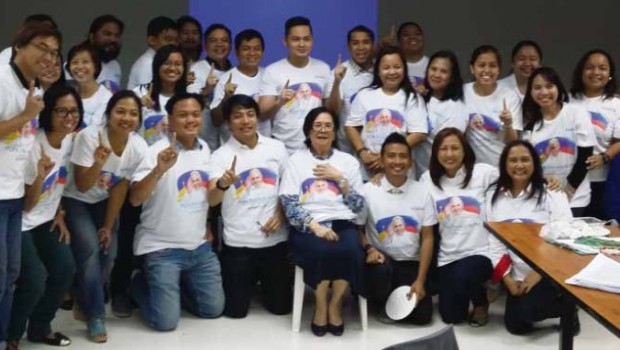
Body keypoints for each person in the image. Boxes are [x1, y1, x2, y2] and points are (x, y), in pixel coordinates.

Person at [129, 93, 224, 331]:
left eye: (195, 114)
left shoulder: (206, 149)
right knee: (165, 323)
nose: (190, 120)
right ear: (170, 120)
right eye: (183, 115)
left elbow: (209, 200)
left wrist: (221, 190)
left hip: (198, 248)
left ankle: (170, 292)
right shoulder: (155, 152)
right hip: (162, 249)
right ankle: (138, 284)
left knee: (213, 310)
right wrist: (159, 170)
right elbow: (135, 199)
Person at [62, 90, 147, 342]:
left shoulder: (138, 146)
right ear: (108, 114)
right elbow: (82, 184)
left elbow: (120, 186)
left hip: (102, 201)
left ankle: (84, 300)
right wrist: (98, 163)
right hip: (74, 198)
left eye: (133, 113)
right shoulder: (90, 137)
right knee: (88, 250)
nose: (126, 118)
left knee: (108, 251)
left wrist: (108, 226)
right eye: (120, 111)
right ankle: (96, 315)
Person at [6, 85, 82, 350]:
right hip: (23, 222)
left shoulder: (70, 141)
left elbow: (60, 182)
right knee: (35, 279)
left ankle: (40, 328)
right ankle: (12, 334)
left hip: (47, 218)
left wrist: (59, 212)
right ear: (48, 111)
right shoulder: (34, 145)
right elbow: (27, 205)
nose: (68, 117)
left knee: (64, 269)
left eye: (73, 111)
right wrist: (40, 176)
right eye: (61, 111)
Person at [0, 23, 61, 350]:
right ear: (19, 45)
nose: (48, 56)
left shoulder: (31, 85)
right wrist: (26, 115)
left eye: (53, 52)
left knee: (10, 276)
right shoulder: (1, 78)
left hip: (12, 194)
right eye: (42, 47)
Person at [280, 107, 365, 336]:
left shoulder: (348, 162)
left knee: (351, 250)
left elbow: (359, 207)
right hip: (308, 225)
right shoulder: (296, 162)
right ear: (308, 132)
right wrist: (315, 227)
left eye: (328, 126)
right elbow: (289, 204)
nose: (323, 130)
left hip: (342, 221)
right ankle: (320, 304)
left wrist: (340, 179)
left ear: (335, 133)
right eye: (317, 125)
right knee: (320, 251)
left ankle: (335, 304)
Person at [208, 94, 291, 318]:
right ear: (228, 123)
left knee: (281, 309)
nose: (245, 121)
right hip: (238, 245)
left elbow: (290, 188)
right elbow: (212, 200)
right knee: (235, 312)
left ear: (257, 118)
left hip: (275, 242)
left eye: (250, 114)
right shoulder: (220, 156)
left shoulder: (276, 148)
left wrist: (281, 214)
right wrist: (223, 184)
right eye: (238, 116)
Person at [487, 140, 576, 335]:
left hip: (547, 272)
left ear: (535, 163)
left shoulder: (552, 193)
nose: (519, 165)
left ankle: (567, 309)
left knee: (529, 310)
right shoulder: (494, 197)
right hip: (516, 273)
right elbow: (495, 244)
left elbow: (565, 240)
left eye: (525, 160)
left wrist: (536, 274)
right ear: (504, 165)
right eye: (513, 160)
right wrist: (507, 279)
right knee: (516, 326)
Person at [419, 128, 498, 326]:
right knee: (452, 317)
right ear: (435, 153)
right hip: (448, 256)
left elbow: (514, 179)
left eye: (455, 148)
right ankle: (469, 291)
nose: (449, 154)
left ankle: (480, 302)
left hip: (482, 252)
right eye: (443, 149)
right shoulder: (427, 180)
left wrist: (547, 180)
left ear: (465, 151)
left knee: (466, 274)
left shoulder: (483, 173)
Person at [359, 133, 435, 325]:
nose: (397, 161)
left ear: (410, 162)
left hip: (410, 263)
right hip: (380, 262)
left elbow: (427, 238)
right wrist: (369, 249)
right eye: (391, 156)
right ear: (382, 160)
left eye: (403, 156)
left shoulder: (422, 191)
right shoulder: (368, 191)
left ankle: (393, 299)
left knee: (423, 317)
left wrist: (420, 280)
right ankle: (379, 300)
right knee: (381, 275)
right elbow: (357, 230)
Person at [523, 67, 596, 216]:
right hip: (543, 198)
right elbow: (530, 165)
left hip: (576, 198)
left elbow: (585, 157)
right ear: (530, 92)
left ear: (558, 88)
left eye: (549, 86)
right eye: (537, 88)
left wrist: (568, 192)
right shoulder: (530, 126)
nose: (543, 92)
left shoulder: (576, 113)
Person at [345, 45, 427, 179]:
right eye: (386, 68)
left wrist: (388, 156)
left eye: (397, 67)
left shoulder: (412, 98)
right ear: (378, 71)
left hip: (399, 170)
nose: (392, 72)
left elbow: (419, 133)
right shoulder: (365, 95)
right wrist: (362, 152)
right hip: (368, 169)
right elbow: (351, 127)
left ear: (404, 70)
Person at [259, 16, 330, 154]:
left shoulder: (323, 69)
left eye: (306, 39)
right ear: (285, 41)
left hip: (316, 148)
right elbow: (262, 114)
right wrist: (279, 102)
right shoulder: (273, 71)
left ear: (312, 41)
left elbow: (331, 111)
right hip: (283, 148)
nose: (302, 44)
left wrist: (337, 82)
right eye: (295, 39)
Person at [570, 49, 620, 219]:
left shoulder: (616, 104)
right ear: (581, 72)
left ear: (610, 74)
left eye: (602, 68)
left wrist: (604, 157)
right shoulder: (567, 101)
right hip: (570, 180)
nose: (596, 72)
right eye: (590, 67)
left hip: (602, 181)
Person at [465, 45, 523, 166]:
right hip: (472, 169)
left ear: (499, 70)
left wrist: (508, 124)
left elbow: (514, 143)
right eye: (481, 65)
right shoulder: (463, 92)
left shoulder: (510, 96)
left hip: (502, 167)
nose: (487, 70)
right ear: (472, 68)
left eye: (492, 65)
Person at [416, 50, 468, 178]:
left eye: (443, 71)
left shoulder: (456, 107)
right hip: (416, 174)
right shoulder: (419, 99)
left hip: (443, 177)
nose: (437, 75)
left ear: (452, 77)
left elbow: (449, 145)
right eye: (433, 69)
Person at [211, 29, 269, 142]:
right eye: (246, 49)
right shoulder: (226, 79)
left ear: (263, 52)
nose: (252, 53)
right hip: (234, 148)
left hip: (263, 148)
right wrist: (226, 98)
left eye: (257, 49)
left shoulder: (269, 76)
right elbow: (216, 120)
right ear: (236, 52)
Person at [325, 25, 375, 154]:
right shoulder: (338, 72)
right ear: (348, 47)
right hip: (346, 148)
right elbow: (331, 111)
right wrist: (337, 82)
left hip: (376, 147)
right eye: (355, 43)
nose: (361, 47)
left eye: (366, 42)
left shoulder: (382, 71)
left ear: (373, 45)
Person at [134, 45, 187, 145]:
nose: (172, 68)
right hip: (145, 157)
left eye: (178, 64)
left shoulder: (187, 99)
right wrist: (139, 107)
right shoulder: (139, 93)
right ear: (157, 66)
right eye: (167, 63)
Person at [66, 43, 113, 128]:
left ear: (96, 67)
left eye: (85, 62)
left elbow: (94, 131)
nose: (80, 67)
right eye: (75, 62)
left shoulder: (106, 98)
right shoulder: (65, 92)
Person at [127, 16, 178, 90]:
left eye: (176, 40)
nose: (173, 44)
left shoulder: (160, 61)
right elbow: (146, 97)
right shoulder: (147, 64)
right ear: (152, 40)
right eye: (168, 39)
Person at [83, 15, 124, 92]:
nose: (113, 39)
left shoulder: (115, 66)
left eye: (117, 35)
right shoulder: (77, 64)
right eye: (107, 34)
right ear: (92, 37)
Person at [395, 22, 428, 91]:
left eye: (417, 34)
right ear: (398, 41)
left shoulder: (432, 65)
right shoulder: (392, 66)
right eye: (406, 34)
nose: (412, 37)